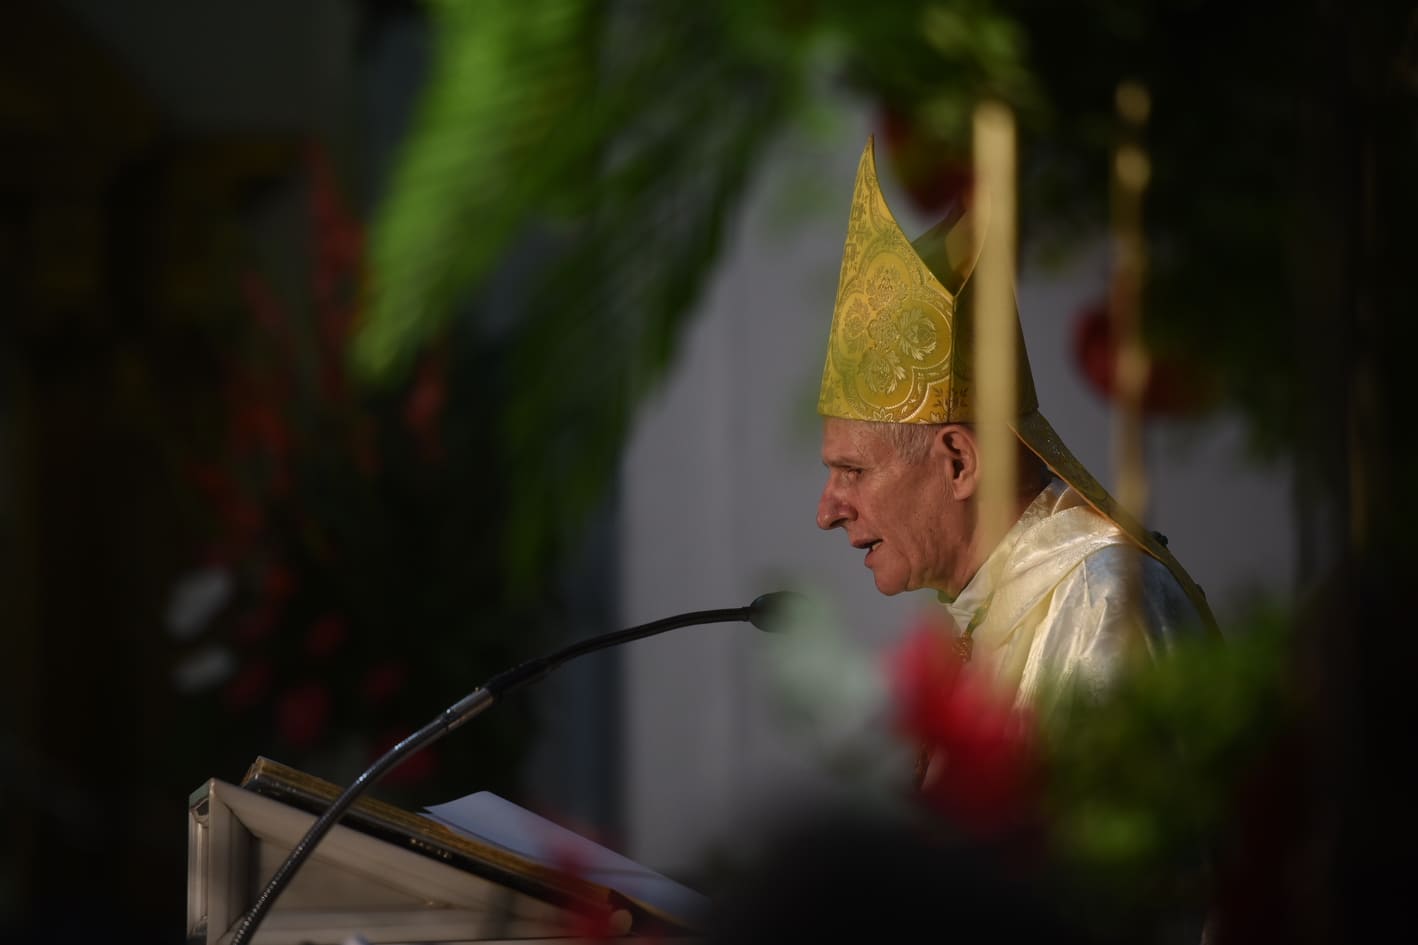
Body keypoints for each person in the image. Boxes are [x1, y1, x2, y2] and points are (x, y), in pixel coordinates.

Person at [815, 138, 1218, 716]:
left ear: (959, 461)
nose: (827, 512)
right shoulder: (986, 614)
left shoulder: (1099, 599)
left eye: (851, 471)